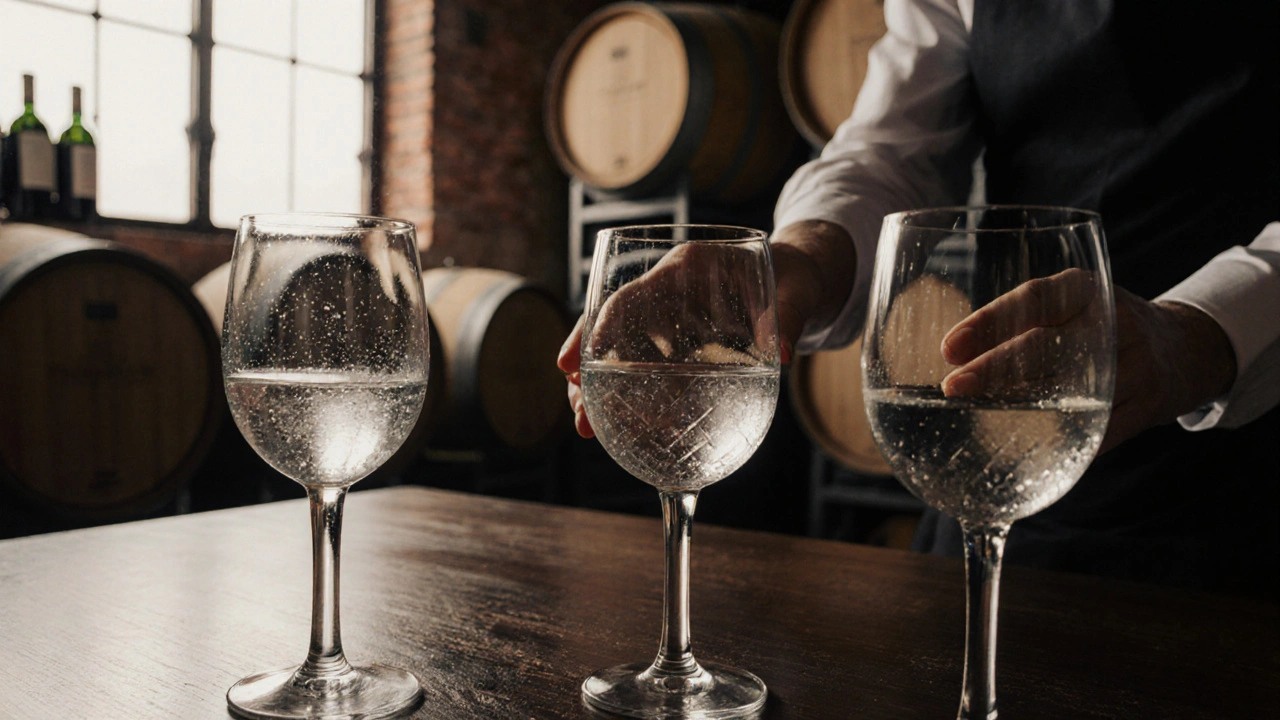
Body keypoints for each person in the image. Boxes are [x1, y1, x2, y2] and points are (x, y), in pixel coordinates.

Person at [560, 0, 1280, 595]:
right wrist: (794, 264)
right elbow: (893, 152)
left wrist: (1203, 330)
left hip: (1246, 495)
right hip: (1005, 461)